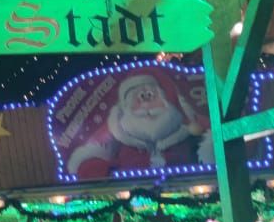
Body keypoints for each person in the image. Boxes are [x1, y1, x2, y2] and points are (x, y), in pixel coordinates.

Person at [67, 71, 211, 178]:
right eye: (138, 98)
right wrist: (97, 168)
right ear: (125, 107)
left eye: (151, 96)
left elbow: (212, 139)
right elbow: (91, 159)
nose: (146, 105)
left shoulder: (187, 134)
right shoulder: (118, 137)